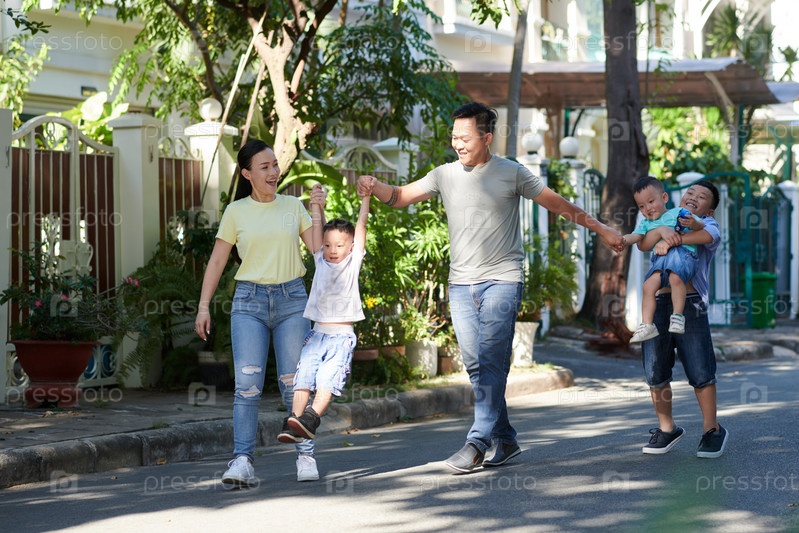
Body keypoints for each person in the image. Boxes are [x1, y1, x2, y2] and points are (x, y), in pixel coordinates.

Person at [357, 102, 624, 473]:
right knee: (476, 366)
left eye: (465, 138)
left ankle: (477, 443)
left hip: (502, 280)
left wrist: (602, 229)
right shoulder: (444, 174)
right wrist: (375, 186)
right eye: (454, 137)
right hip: (460, 285)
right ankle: (507, 440)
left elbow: (558, 205)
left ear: (486, 138)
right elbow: (400, 196)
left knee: (491, 360)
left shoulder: (511, 172)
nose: (458, 144)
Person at [195, 139, 326, 486]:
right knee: (247, 387)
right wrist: (204, 306)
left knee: (294, 383)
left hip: (292, 300)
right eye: (264, 167)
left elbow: (318, 250)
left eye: (275, 165)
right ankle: (242, 461)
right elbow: (218, 261)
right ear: (247, 174)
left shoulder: (292, 206)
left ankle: (305, 455)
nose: (273, 172)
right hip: (248, 302)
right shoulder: (236, 212)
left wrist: (318, 210)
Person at [636, 179, 728, 458]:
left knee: (700, 369)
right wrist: (662, 232)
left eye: (702, 196)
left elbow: (706, 237)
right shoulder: (666, 218)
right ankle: (668, 429)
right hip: (658, 304)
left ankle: (712, 430)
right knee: (655, 371)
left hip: (690, 303)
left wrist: (669, 239)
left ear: (709, 210)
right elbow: (643, 242)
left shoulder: (708, 225)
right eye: (690, 192)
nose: (693, 197)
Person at [277, 185, 370, 444]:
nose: (332, 249)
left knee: (328, 380)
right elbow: (317, 227)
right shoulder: (320, 259)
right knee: (303, 377)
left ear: (351, 247)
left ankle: (310, 419)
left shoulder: (353, 262)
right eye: (328, 245)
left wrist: (365, 199)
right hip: (317, 334)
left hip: (341, 337)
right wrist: (316, 205)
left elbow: (361, 225)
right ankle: (294, 421)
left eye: (339, 245)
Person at [623, 176, 705, 343]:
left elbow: (700, 225)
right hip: (661, 261)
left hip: (683, 255)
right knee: (648, 286)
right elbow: (636, 238)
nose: (647, 208)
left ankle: (678, 316)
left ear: (664, 197)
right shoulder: (646, 224)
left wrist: (693, 223)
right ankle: (647, 325)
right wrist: (622, 240)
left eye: (651, 201)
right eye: (641, 206)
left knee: (675, 277)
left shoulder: (677, 213)